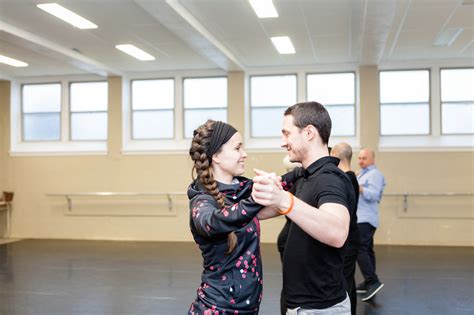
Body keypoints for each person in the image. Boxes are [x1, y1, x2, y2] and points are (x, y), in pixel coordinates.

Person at [252, 102, 357, 314]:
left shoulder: (330, 179)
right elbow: (261, 211)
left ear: (309, 132)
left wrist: (284, 201)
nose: (283, 142)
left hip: (321, 308)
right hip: (302, 305)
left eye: (287, 134)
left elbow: (337, 232)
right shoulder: (306, 175)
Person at [330, 142, 360, 315]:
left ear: (336, 156)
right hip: (352, 234)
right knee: (349, 278)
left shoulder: (345, 179)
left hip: (348, 236)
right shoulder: (352, 177)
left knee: (345, 279)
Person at [355, 148, 386, 302]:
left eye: (364, 158)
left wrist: (358, 187)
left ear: (372, 159)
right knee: (367, 250)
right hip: (362, 218)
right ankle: (369, 281)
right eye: (359, 158)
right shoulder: (362, 173)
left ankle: (373, 281)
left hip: (365, 219)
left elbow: (374, 195)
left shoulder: (375, 174)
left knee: (360, 250)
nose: (361, 161)